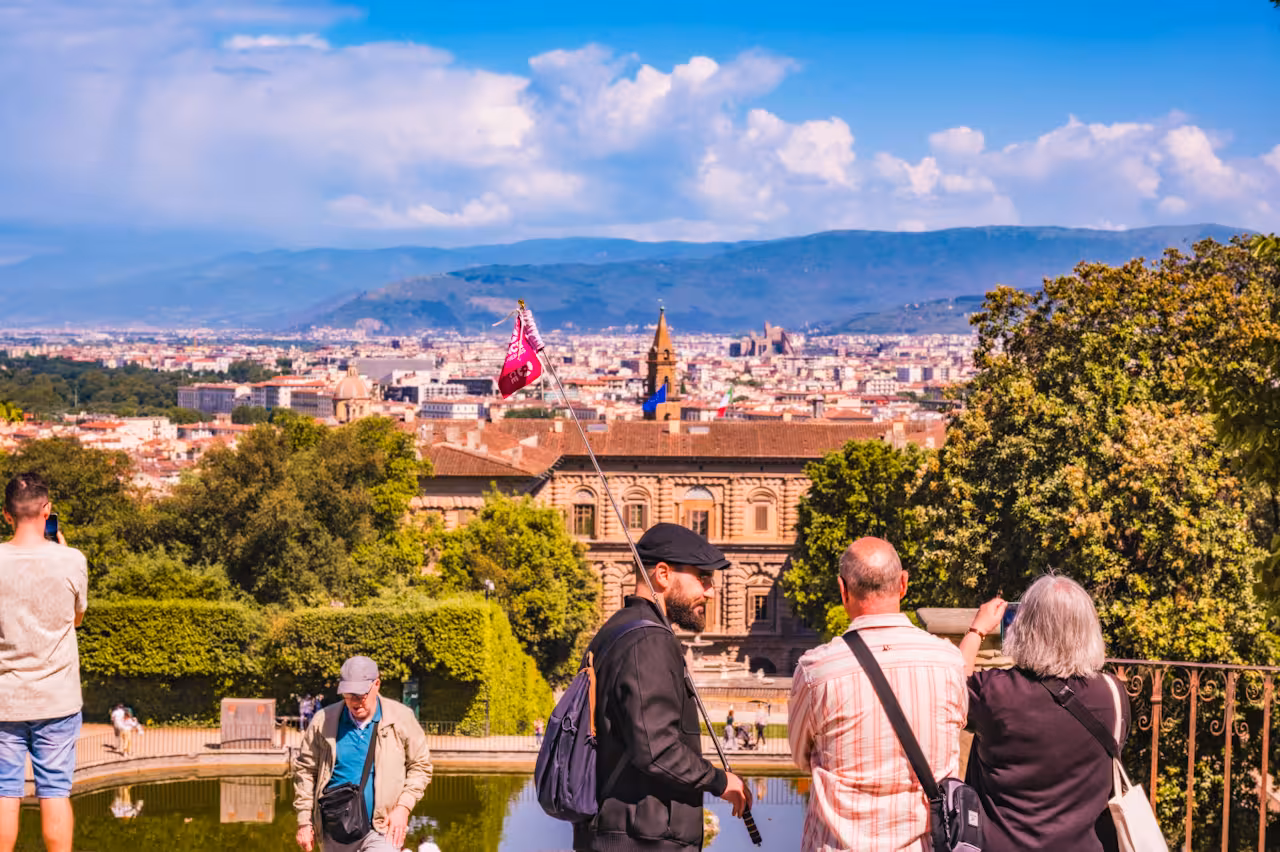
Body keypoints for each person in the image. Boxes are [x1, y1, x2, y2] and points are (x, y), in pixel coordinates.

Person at [573, 522, 751, 852]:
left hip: (627, 833)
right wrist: (719, 781)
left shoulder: (618, 630)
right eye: (703, 578)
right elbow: (656, 748)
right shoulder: (647, 640)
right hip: (642, 841)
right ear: (664, 575)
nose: (711, 591)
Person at [788, 536, 966, 852]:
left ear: (843, 590)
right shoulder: (949, 662)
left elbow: (801, 756)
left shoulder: (817, 671)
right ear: (903, 584)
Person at [960, 575, 1130, 852]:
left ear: (1024, 628)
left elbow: (952, 686)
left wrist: (977, 630)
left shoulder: (994, 691)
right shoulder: (1112, 693)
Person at [0, 473, 89, 852]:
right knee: (54, 791)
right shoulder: (71, 560)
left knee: (4, 790)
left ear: (6, 515)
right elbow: (77, 618)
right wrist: (64, 552)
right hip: (57, 698)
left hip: (5, 698)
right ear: (46, 510)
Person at [293, 656, 433, 852]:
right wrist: (305, 821)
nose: (355, 703)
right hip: (335, 827)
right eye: (349, 696)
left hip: (382, 828)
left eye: (361, 695)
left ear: (377, 684)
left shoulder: (401, 718)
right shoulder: (323, 721)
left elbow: (420, 766)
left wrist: (403, 807)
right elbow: (306, 771)